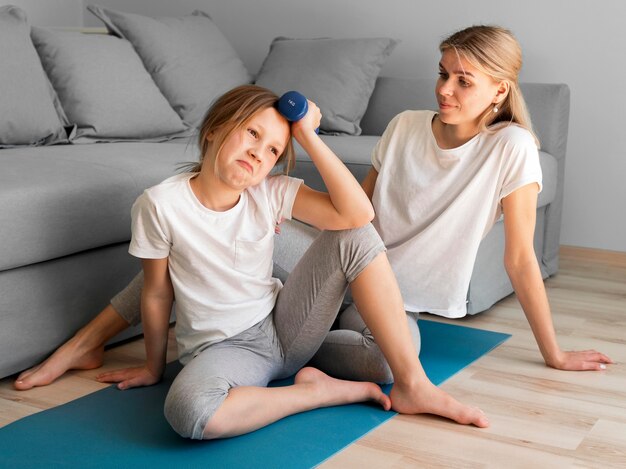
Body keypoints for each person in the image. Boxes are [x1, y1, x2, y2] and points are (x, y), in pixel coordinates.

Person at [15, 24, 611, 415]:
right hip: (332, 259)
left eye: (464, 80)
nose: (445, 89)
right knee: (197, 228)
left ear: (500, 92)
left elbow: (517, 257)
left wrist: (553, 353)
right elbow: (357, 217)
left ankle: (318, 369)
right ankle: (85, 343)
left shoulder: (512, 148)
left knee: (390, 351)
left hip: (374, 287)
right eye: (443, 72)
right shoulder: (405, 126)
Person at [15, 83, 488, 439]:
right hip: (227, 351)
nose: (258, 154)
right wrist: (155, 366)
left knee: (366, 272)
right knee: (188, 413)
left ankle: (412, 383)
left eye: (273, 151)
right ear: (217, 128)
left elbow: (358, 215)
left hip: (286, 325)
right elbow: (158, 290)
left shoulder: (272, 192)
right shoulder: (160, 205)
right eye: (251, 135)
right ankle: (314, 391)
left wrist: (308, 136)